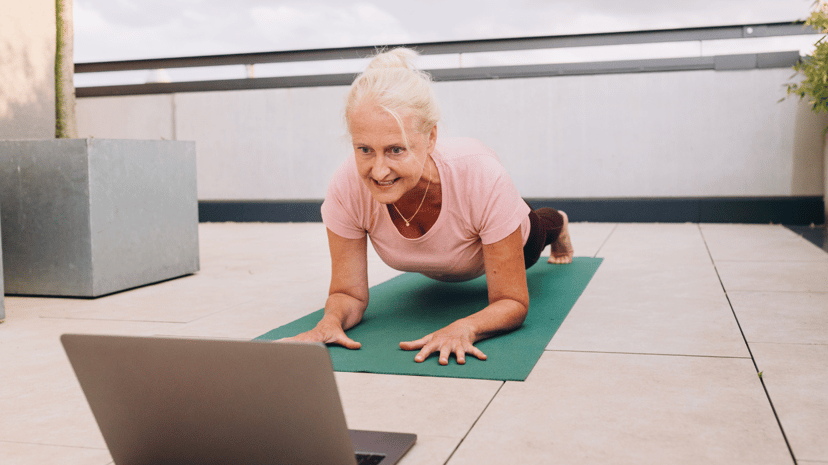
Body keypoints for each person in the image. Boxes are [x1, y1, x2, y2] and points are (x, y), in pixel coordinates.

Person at [287, 48, 573, 365]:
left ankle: (559, 224)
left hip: (504, 219)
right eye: (364, 149)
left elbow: (511, 301)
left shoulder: (482, 176)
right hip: (458, 243)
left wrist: (465, 328)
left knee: (540, 228)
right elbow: (347, 294)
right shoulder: (346, 186)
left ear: (431, 137)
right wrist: (330, 322)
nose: (378, 171)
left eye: (396, 150)